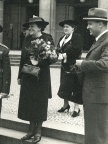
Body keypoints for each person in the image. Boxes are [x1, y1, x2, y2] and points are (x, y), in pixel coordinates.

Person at [17, 16, 56, 143]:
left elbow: (53, 58)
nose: (30, 28)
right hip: (28, 76)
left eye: (32, 26)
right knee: (28, 103)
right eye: (29, 26)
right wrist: (19, 76)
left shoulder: (47, 38)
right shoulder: (27, 38)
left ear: (40, 27)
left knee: (39, 104)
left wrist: (39, 61)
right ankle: (31, 130)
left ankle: (38, 131)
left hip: (41, 77)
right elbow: (22, 58)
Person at [75, 8, 108, 144]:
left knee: (97, 136)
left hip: (98, 97)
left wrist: (83, 64)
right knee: (93, 134)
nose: (87, 27)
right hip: (94, 96)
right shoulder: (99, 40)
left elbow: (105, 64)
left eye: (90, 24)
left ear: (100, 24)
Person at [56, 20, 83, 117]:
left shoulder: (77, 37)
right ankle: (66, 105)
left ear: (73, 28)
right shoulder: (62, 38)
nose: (65, 28)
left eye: (67, 27)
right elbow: (58, 49)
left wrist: (64, 55)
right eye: (64, 27)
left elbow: (77, 50)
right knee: (65, 85)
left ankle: (76, 108)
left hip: (74, 66)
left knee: (76, 86)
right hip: (64, 66)